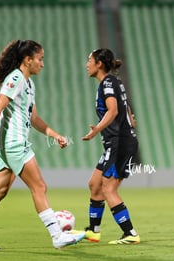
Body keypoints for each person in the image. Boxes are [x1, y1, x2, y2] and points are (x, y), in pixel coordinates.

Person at [0, 40, 85, 250]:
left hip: (6, 144)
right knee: (39, 186)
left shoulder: (28, 83)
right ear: (28, 60)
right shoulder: (16, 78)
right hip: (14, 143)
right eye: (40, 59)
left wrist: (54, 134)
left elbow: (35, 118)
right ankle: (57, 235)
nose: (43, 64)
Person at [73, 48, 140, 245]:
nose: (87, 64)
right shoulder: (111, 83)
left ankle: (130, 233)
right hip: (115, 142)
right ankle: (94, 231)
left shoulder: (108, 82)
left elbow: (113, 110)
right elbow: (124, 107)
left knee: (108, 188)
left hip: (120, 143)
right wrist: (129, 120)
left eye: (89, 60)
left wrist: (96, 130)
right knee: (95, 184)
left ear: (99, 63)